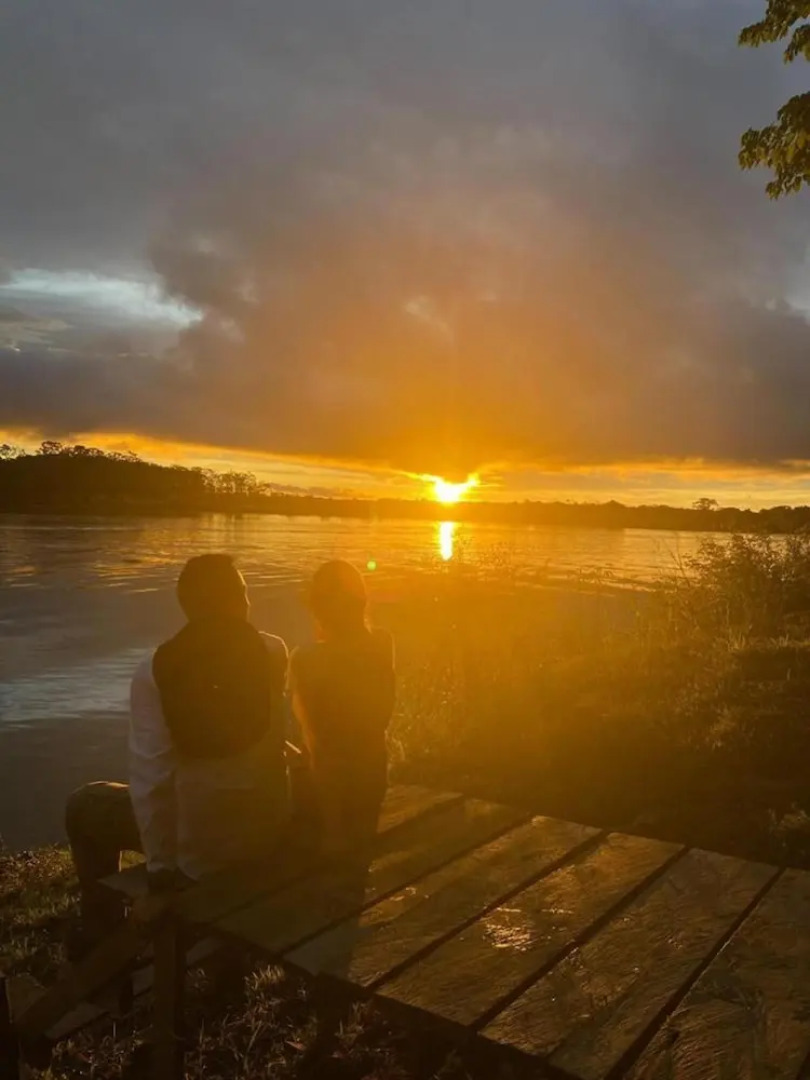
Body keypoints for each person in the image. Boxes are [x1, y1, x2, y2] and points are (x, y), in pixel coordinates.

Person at [65, 554, 290, 951]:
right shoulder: (273, 652)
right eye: (245, 592)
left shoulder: (154, 672)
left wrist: (160, 880)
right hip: (264, 836)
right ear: (240, 599)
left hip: (198, 855)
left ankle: (99, 940)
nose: (249, 601)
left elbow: (152, 781)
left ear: (187, 606)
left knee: (83, 805)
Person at [287, 560, 395, 858]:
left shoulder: (306, 659)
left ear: (317, 608)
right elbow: (378, 721)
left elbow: (320, 748)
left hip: (333, 803)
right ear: (362, 602)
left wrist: (334, 832)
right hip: (372, 787)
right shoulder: (382, 643)